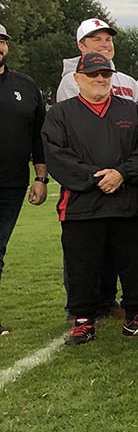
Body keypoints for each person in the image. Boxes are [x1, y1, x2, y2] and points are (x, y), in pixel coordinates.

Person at [42, 51, 138, 344]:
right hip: (83, 206)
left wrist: (121, 174)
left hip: (128, 203)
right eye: (93, 74)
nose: (99, 79)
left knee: (134, 263)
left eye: (105, 74)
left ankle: (134, 316)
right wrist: (98, 178)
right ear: (77, 78)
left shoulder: (132, 112)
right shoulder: (60, 114)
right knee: (82, 266)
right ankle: (84, 320)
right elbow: (57, 157)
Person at [0, 23, 49, 336]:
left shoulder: (25, 85)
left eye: (2, 41)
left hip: (11, 184)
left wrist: (41, 177)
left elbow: (38, 136)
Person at [55, 18, 138, 116]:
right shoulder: (72, 80)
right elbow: (80, 120)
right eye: (97, 40)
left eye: (108, 39)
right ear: (81, 46)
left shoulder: (129, 81)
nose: (105, 44)